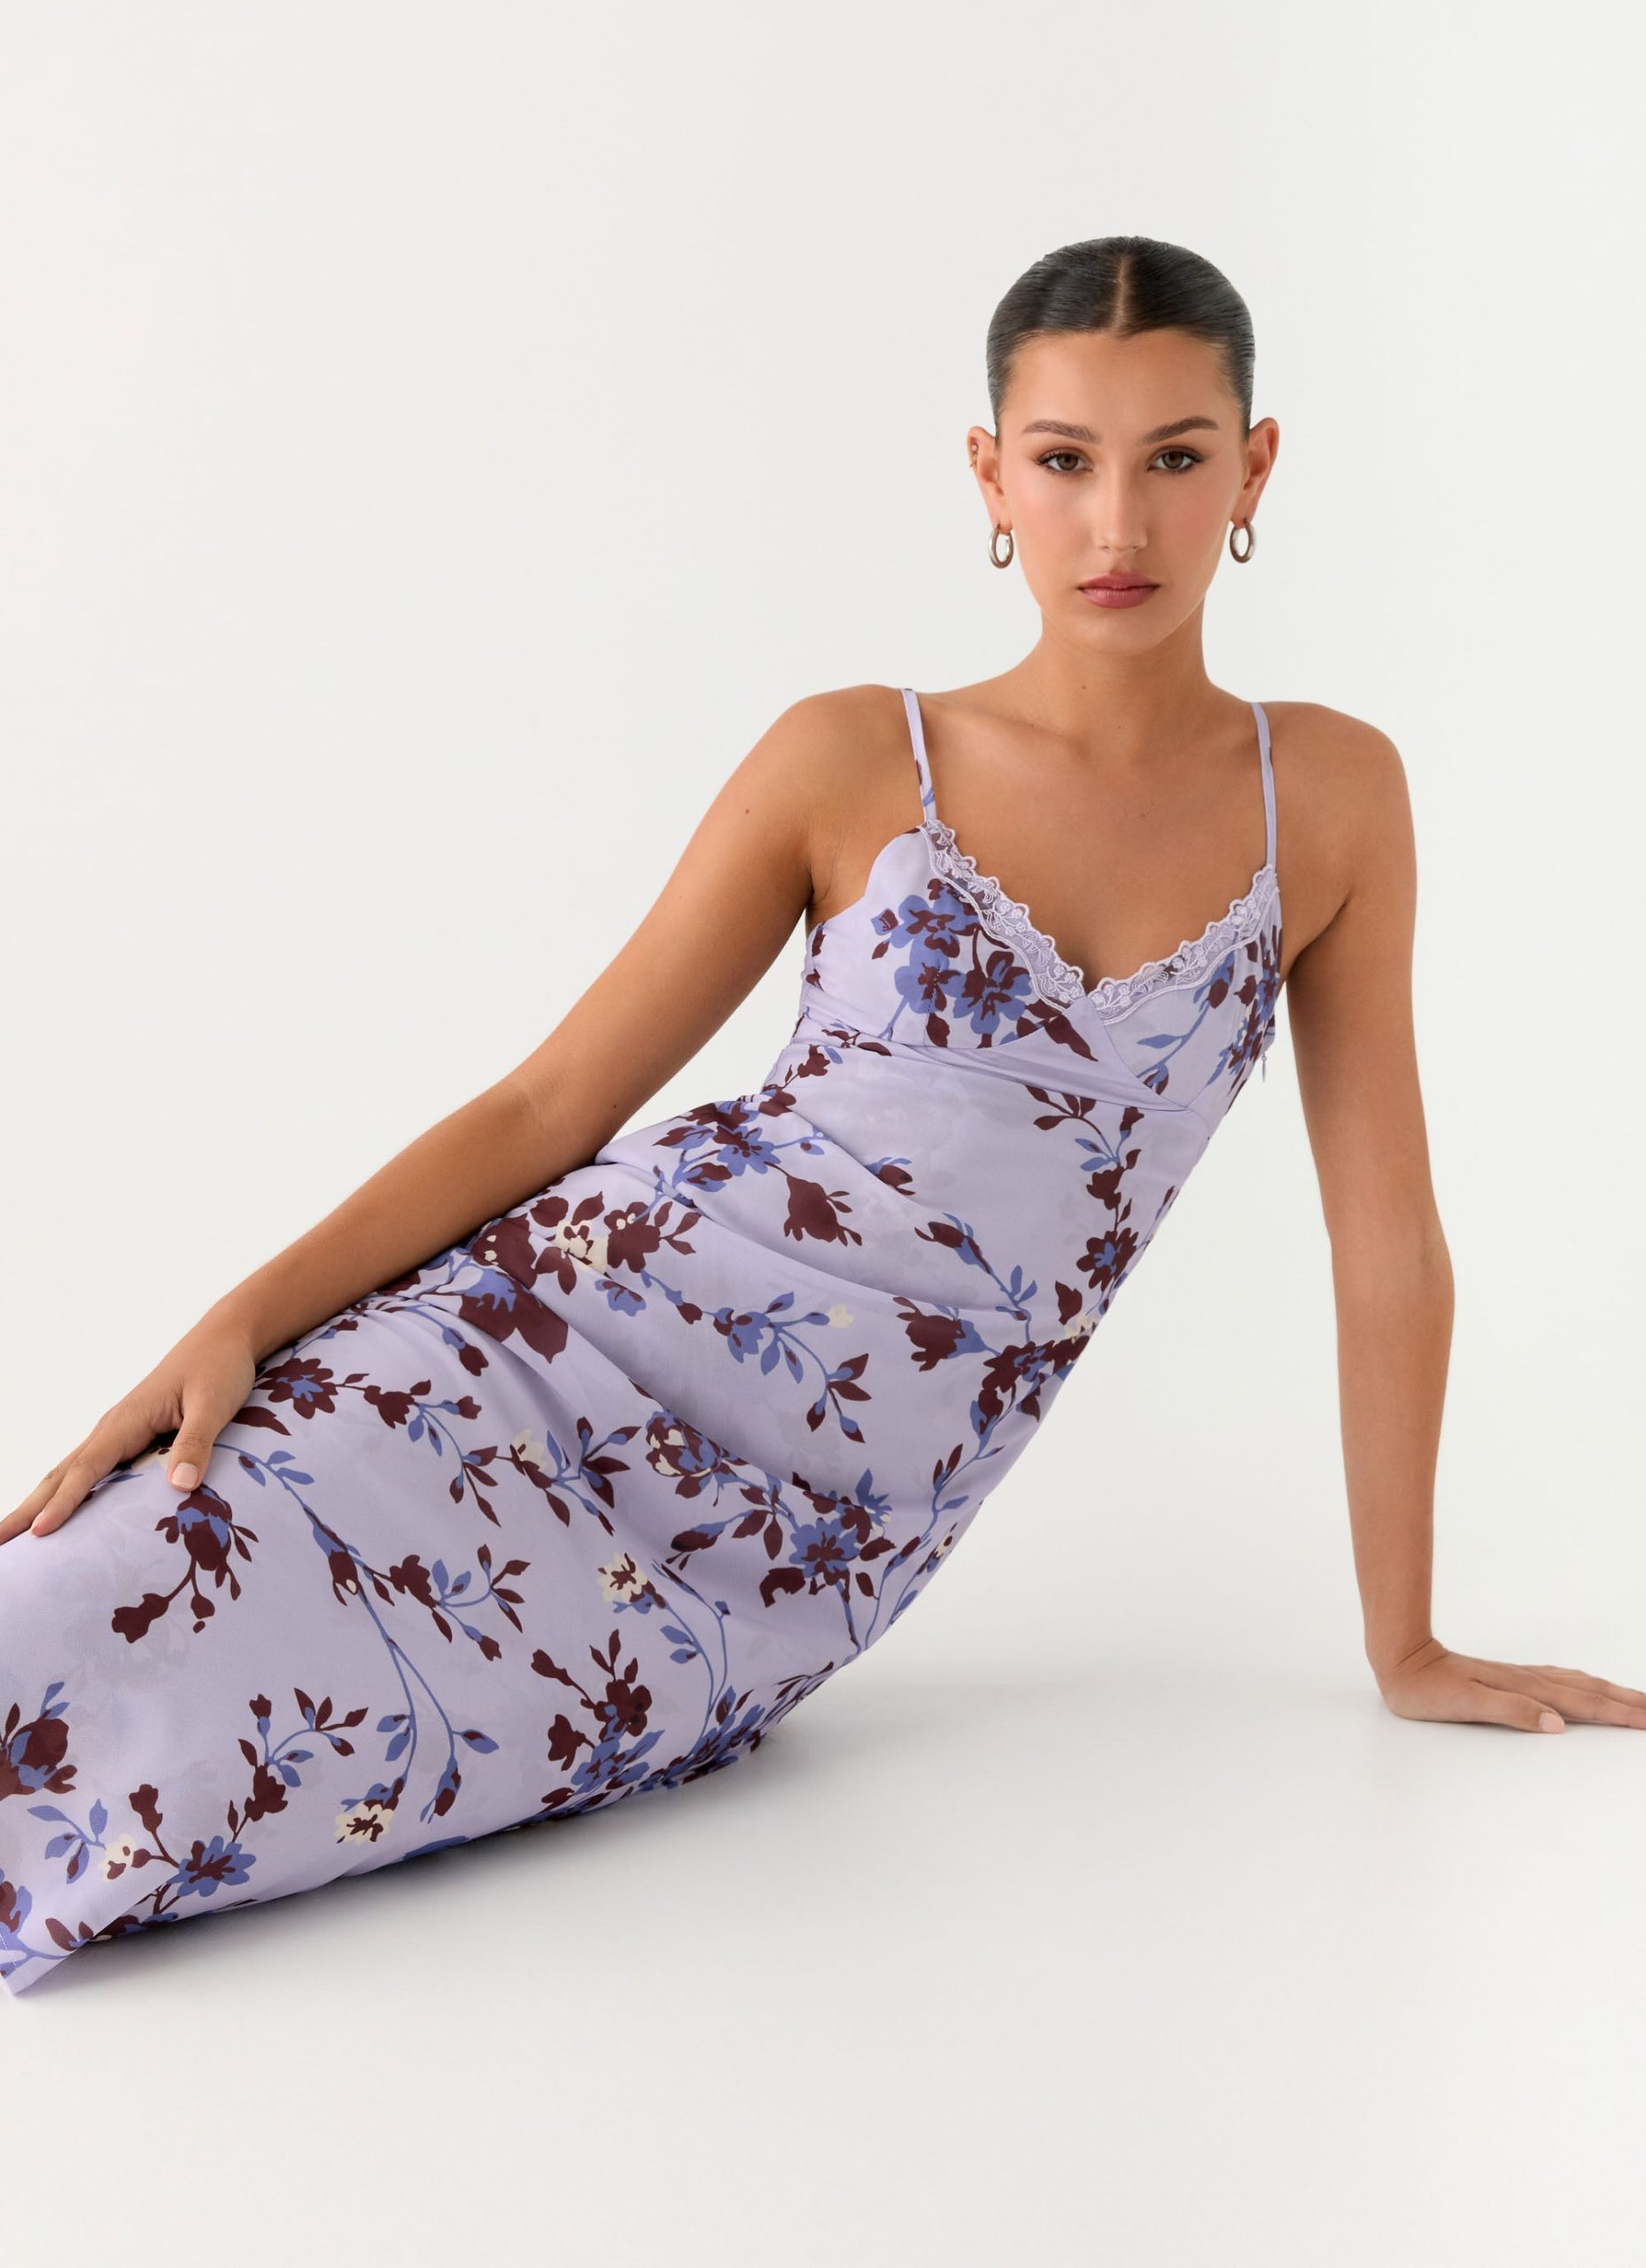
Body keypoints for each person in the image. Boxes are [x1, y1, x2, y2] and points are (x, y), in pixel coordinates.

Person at [4, 234, 1641, 1997]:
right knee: (90, 1612)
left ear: (1252, 470)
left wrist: (1403, 1641)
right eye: (1063, 459)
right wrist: (240, 1320)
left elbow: (1384, 1243)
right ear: (989, 476)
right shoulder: (858, 754)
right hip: (544, 1342)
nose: (1115, 523)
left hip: (806, 1539)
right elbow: (553, 1100)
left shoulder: (1323, 793)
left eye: (1173, 457)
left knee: (248, 1771)